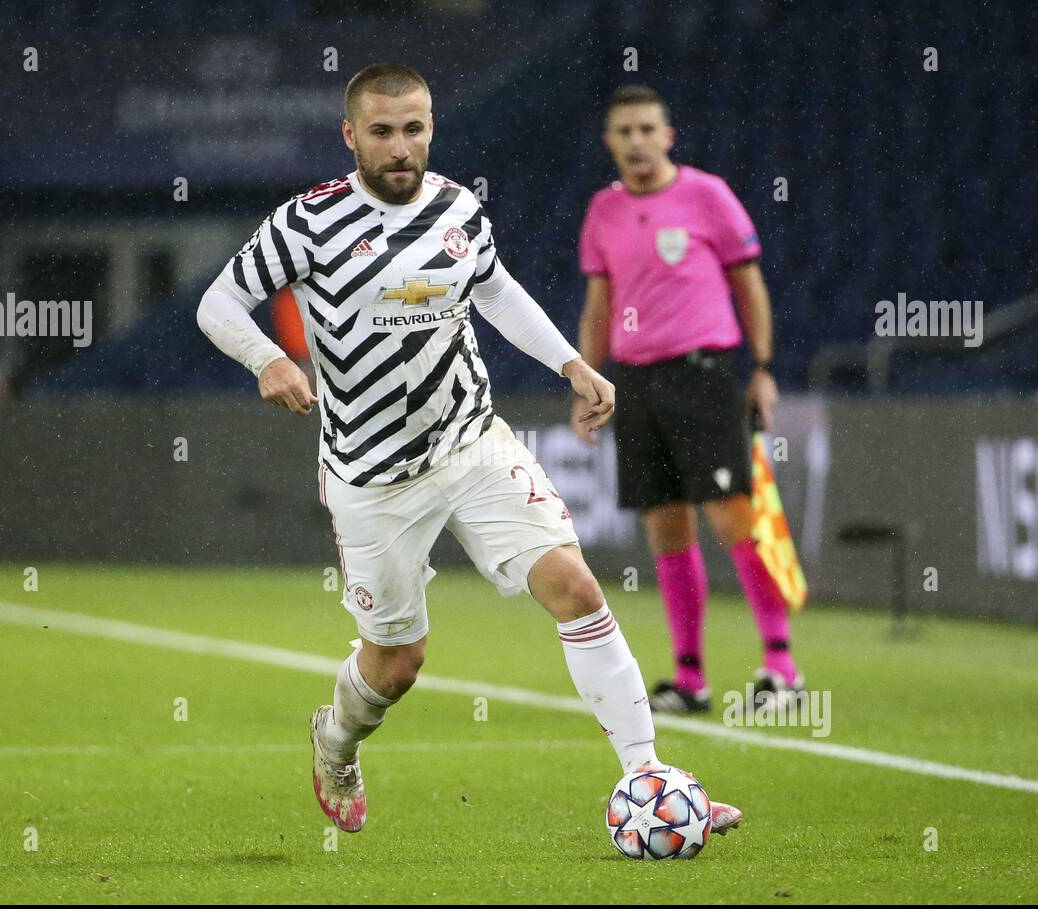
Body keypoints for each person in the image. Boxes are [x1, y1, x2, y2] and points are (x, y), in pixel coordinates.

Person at [197, 64, 742, 838]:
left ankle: (647, 773)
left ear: (431, 129)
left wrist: (571, 364)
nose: (399, 147)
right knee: (397, 661)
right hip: (372, 476)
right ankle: (337, 740)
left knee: (578, 588)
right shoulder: (307, 222)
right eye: (381, 132)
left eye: (413, 129)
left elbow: (495, 291)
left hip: (472, 445)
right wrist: (268, 358)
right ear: (350, 135)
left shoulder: (458, 208)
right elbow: (218, 301)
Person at [574, 85, 803, 715]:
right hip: (637, 381)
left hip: (704, 374)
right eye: (625, 131)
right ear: (610, 143)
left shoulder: (707, 196)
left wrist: (761, 368)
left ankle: (781, 666)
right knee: (666, 529)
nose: (638, 141)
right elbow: (599, 305)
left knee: (734, 520)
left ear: (668, 136)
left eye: (648, 128)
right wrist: (586, 379)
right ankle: (690, 677)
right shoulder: (603, 210)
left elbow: (748, 286)